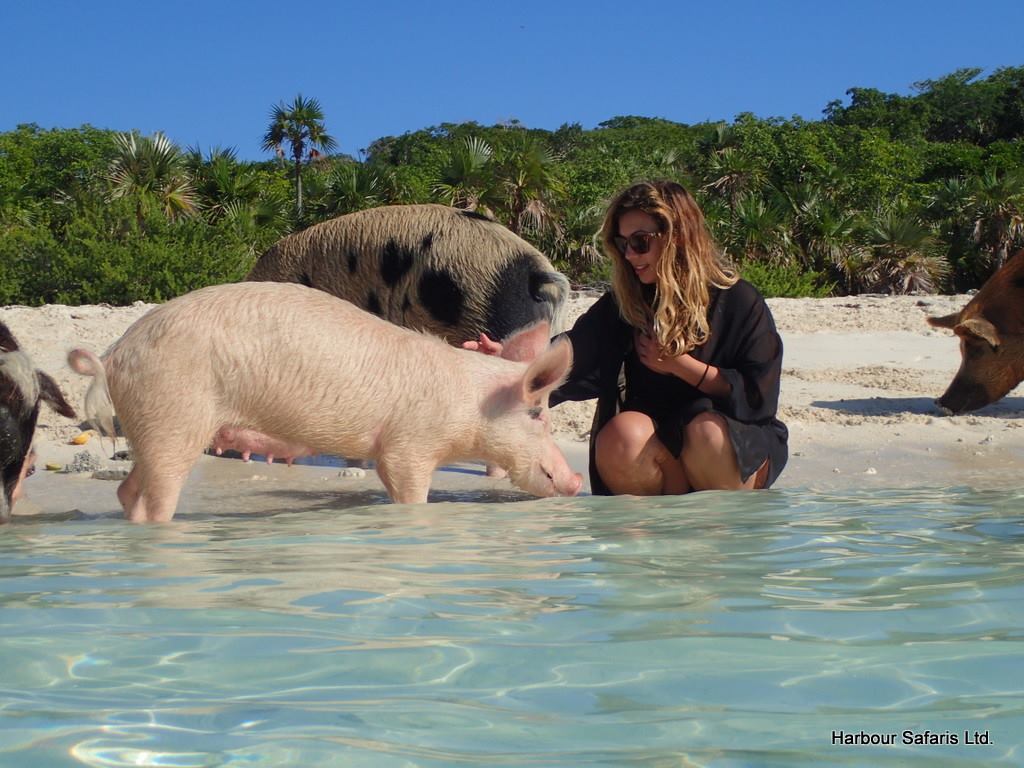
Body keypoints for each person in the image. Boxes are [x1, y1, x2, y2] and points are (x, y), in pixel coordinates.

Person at [467, 180, 787, 495]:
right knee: (621, 436)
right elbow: (575, 353)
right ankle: (667, 530)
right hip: (664, 458)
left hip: (731, 448)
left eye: (640, 242)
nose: (630, 255)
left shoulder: (740, 301)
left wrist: (681, 367)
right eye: (622, 245)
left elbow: (759, 397)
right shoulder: (626, 304)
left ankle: (720, 533)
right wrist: (511, 360)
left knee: (705, 433)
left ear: (678, 237)